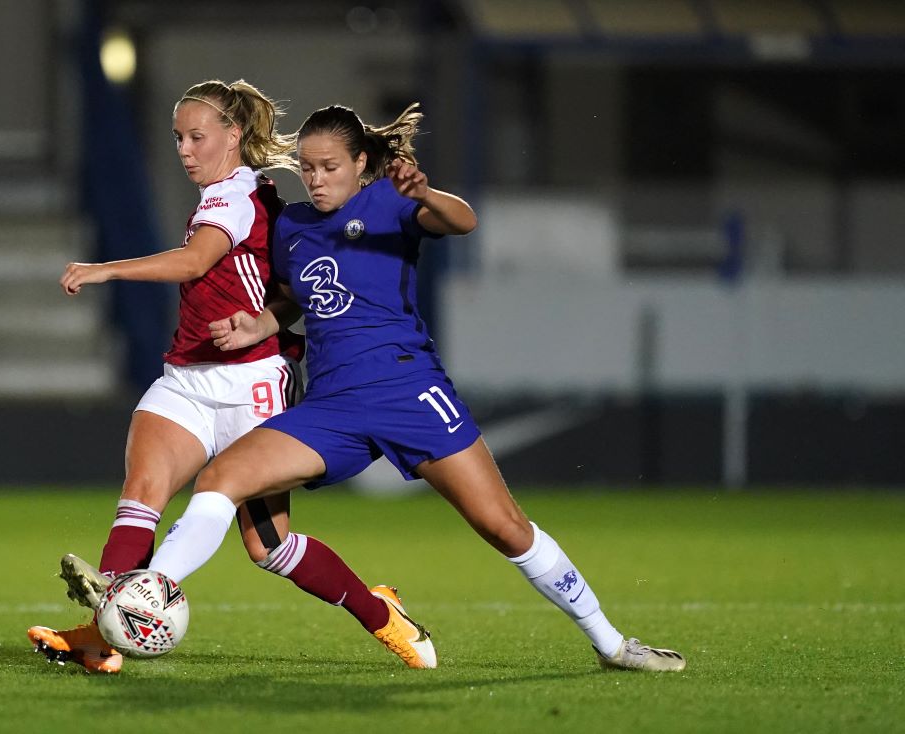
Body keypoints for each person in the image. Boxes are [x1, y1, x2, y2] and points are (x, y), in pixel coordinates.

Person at [117, 102, 686, 672]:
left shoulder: (389, 201)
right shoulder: (291, 226)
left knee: (503, 526)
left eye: (331, 168)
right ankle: (149, 590)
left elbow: (463, 221)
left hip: (408, 394)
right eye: (308, 168)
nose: (317, 180)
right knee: (221, 478)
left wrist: (425, 193)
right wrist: (262, 323)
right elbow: (292, 296)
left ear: (361, 162)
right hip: (332, 407)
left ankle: (613, 644)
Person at [28, 81, 435, 674]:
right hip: (187, 378)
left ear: (234, 136)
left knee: (269, 547)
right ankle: (103, 635)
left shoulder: (238, 196)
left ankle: (381, 614)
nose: (185, 150)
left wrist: (104, 270)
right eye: (178, 138)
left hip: (252, 384)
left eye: (197, 136)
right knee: (142, 491)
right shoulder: (235, 195)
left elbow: (195, 262)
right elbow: (278, 286)